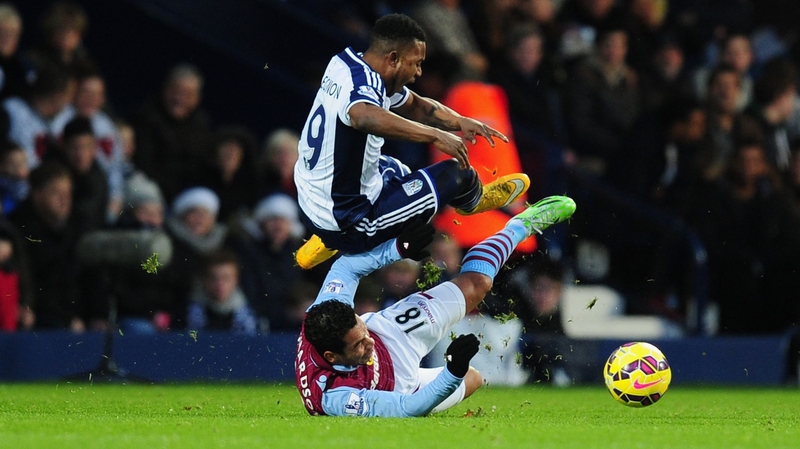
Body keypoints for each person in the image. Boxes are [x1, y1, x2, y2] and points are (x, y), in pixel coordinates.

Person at [295, 194, 575, 417]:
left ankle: (520, 226)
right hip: (397, 388)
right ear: (332, 357)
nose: (366, 342)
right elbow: (407, 408)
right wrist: (452, 372)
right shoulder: (337, 396)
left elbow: (346, 266)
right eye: (357, 345)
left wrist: (398, 249)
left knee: (477, 285)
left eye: (360, 327)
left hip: (392, 334)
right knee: (472, 379)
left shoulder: (329, 311)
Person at [294, 13, 529, 270]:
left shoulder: (344, 64)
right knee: (455, 173)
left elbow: (415, 105)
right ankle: (474, 200)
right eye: (416, 64)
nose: (418, 73)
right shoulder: (365, 92)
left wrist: (459, 121)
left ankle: (325, 238)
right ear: (393, 58)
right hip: (351, 222)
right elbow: (364, 116)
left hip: (311, 200)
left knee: (396, 169)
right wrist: (435, 135)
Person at [186, 248, 257, 336]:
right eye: (214, 278)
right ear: (204, 280)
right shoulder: (187, 313)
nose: (220, 284)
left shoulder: (251, 314)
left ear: (236, 280)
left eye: (226, 278)